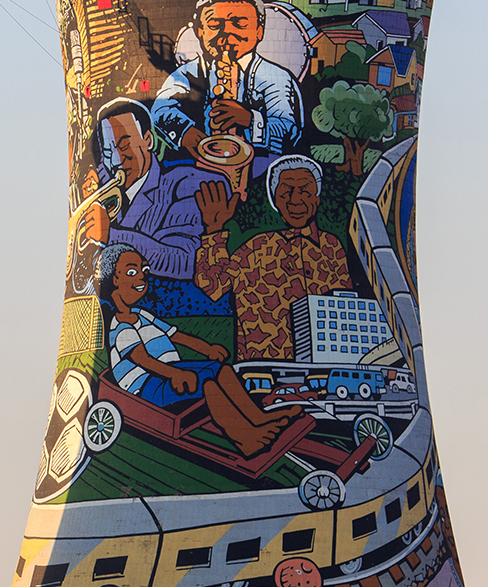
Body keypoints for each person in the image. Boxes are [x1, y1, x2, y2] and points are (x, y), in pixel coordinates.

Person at [99, 244, 299, 457]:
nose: (142, 278)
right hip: (147, 386)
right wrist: (175, 374)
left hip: (168, 371)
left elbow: (176, 335)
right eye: (132, 272)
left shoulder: (143, 315)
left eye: (144, 272)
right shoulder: (121, 327)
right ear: (114, 279)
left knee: (221, 369)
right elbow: (142, 359)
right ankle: (246, 438)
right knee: (208, 384)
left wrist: (208, 349)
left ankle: (259, 418)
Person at [194, 155, 351, 361]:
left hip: (325, 367)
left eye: (305, 190)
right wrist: (213, 230)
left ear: (317, 198)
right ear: (274, 199)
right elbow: (212, 287)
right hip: (264, 366)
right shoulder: (255, 248)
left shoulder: (331, 247)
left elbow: (346, 307)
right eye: (286, 191)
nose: (295, 199)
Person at [77, 98, 227, 281]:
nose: (117, 161)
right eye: (109, 152)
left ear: (147, 140)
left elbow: (185, 260)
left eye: (125, 147)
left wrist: (111, 235)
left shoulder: (183, 183)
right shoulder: (109, 183)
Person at [151, 0, 303, 158]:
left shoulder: (276, 77)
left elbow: (288, 128)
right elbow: (160, 109)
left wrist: (249, 120)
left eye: (240, 23)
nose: (227, 32)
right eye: (215, 24)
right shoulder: (188, 72)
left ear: (259, 32)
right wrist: (187, 133)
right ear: (200, 31)